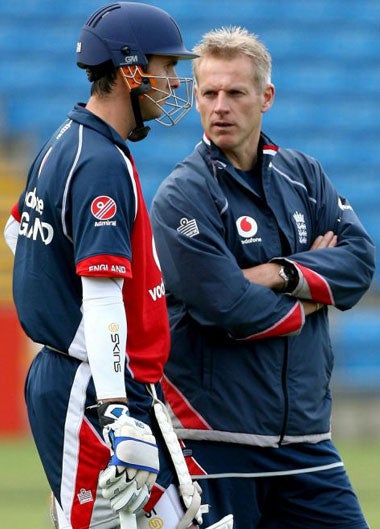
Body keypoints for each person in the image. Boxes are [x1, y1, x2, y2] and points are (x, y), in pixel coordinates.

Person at [150, 26, 375, 529]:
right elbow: (228, 307)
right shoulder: (182, 197)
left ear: (266, 97)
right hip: (214, 444)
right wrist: (316, 293)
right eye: (208, 93)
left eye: (235, 92)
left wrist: (279, 273)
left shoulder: (305, 175)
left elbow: (359, 264)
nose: (220, 106)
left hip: (306, 442)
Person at [2, 3, 213, 529]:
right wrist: (116, 410)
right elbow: (100, 295)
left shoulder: (65, 142)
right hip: (94, 387)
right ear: (130, 71)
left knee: (179, 517)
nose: (172, 83)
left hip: (104, 378)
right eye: (165, 68)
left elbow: (17, 233)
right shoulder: (98, 160)